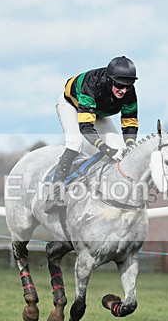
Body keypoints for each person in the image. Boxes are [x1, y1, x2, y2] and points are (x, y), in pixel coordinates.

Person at [44, 56, 139, 212]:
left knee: (121, 148)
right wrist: (107, 150)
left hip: (97, 111)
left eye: (128, 86)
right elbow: (86, 128)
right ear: (109, 80)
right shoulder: (92, 85)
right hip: (71, 105)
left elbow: (130, 121)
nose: (123, 90)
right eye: (119, 85)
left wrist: (130, 145)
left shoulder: (128, 91)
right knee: (75, 144)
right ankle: (55, 191)